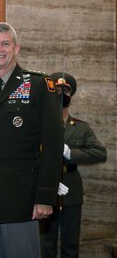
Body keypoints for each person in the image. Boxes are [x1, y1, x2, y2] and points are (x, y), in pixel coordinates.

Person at [0, 22, 64, 258]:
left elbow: (53, 145)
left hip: (23, 196)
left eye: (5, 43)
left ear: (16, 48)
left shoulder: (38, 85)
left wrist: (45, 196)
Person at [42, 72, 107, 258]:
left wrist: (71, 153)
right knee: (47, 245)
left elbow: (100, 153)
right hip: (46, 192)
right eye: (57, 89)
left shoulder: (81, 127)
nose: (61, 93)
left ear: (71, 95)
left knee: (71, 247)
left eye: (66, 90)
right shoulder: (40, 125)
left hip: (71, 191)